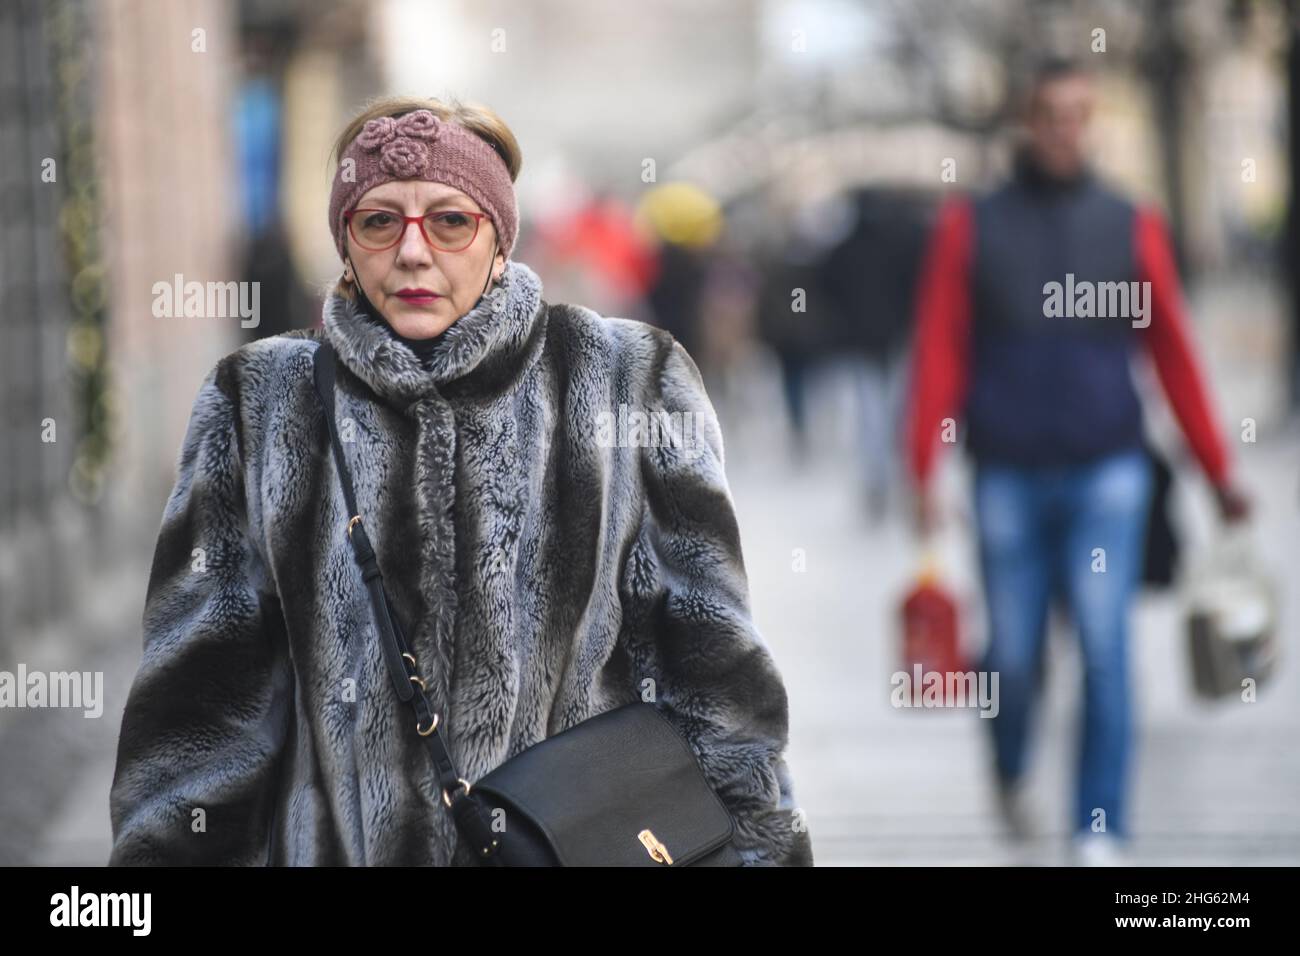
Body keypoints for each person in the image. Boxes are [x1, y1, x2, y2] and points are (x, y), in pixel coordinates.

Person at [107, 96, 813, 867]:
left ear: (499, 241)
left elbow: (715, 668)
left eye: (450, 221)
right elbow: (199, 712)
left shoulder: (626, 381)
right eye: (379, 222)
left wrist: (762, 846)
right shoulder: (258, 405)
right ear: (347, 243)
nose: (413, 252)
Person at [904, 60, 1249, 865]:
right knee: (1015, 656)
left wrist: (1217, 468)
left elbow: (1172, 349)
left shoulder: (1129, 221)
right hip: (1007, 474)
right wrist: (924, 466)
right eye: (1049, 114)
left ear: (1089, 124)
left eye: (1077, 115)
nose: (1064, 129)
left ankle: (1101, 828)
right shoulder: (972, 223)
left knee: (1104, 649)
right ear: (1027, 121)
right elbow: (939, 351)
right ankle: (1011, 759)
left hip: (1109, 471)